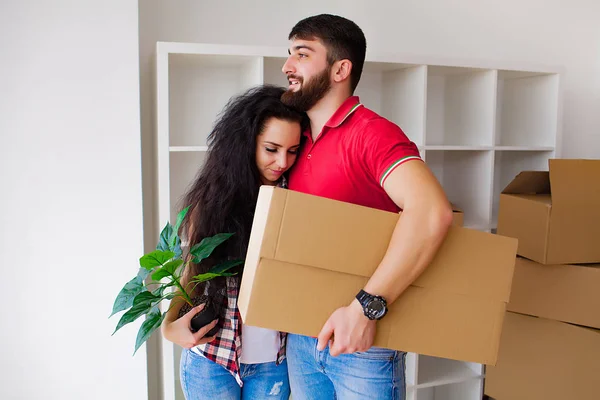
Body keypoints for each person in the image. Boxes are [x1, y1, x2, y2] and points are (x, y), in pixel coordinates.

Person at [280, 14, 454, 400]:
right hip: (301, 336)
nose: (287, 66)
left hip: (363, 345)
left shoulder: (372, 134)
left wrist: (365, 309)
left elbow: (430, 212)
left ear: (341, 69)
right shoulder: (296, 140)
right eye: (289, 54)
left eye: (302, 54)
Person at [160, 85, 306, 400]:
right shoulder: (213, 201)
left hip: (273, 361)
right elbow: (191, 271)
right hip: (213, 357)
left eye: (292, 150)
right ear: (245, 143)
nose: (282, 161)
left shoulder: (297, 198)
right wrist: (168, 327)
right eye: (271, 148)